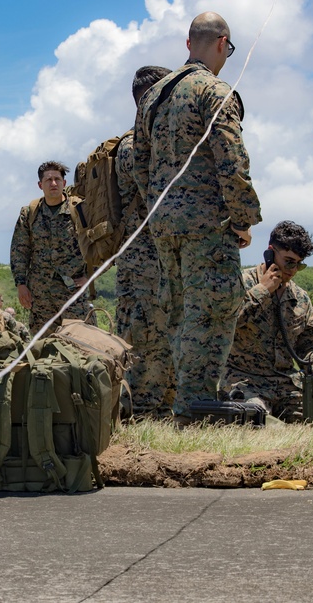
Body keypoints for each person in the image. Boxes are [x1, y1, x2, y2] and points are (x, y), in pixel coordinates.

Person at [132, 11, 262, 426]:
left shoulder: (155, 94)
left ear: (190, 44)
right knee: (213, 310)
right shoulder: (214, 91)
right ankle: (197, 405)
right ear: (223, 44)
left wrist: (159, 208)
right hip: (207, 225)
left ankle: (185, 400)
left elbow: (139, 163)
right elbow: (233, 160)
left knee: (180, 310)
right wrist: (243, 218)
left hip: (164, 223)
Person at [115, 65, 178, 419]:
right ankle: (138, 411)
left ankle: (163, 408)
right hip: (143, 265)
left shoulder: (157, 143)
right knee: (145, 338)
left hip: (161, 262)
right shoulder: (132, 147)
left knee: (163, 337)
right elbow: (160, 199)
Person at [224, 221, 313, 422]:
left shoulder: (300, 298)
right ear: (270, 252)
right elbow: (226, 322)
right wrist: (262, 291)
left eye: (299, 265)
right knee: (253, 417)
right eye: (289, 261)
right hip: (245, 380)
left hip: (286, 385)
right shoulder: (241, 282)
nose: (293, 270)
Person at [10, 161, 89, 330]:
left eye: (57, 179)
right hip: (41, 297)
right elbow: (19, 251)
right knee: (42, 349)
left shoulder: (81, 210)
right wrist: (21, 284)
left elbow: (99, 245)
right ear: (40, 185)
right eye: (48, 180)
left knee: (79, 346)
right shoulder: (30, 213)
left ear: (64, 183)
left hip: (73, 295)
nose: (53, 183)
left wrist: (90, 275)